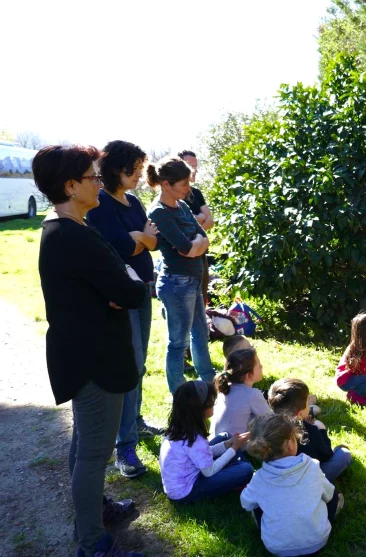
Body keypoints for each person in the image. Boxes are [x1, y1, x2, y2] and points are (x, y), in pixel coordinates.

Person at [34, 144, 147, 557]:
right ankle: (92, 543)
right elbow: (129, 289)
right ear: (69, 185)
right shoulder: (70, 235)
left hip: (86, 356)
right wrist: (121, 287)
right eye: (92, 177)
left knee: (85, 443)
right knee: (93, 452)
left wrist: (120, 285)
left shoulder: (69, 227)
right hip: (95, 361)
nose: (99, 183)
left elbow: (120, 282)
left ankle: (94, 514)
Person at [86, 140, 161, 480]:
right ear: (116, 167)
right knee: (128, 366)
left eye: (140, 167)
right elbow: (117, 246)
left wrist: (140, 238)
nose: (138, 175)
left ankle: (136, 423)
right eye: (133, 168)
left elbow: (153, 239)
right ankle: (124, 447)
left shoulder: (133, 201)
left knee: (140, 362)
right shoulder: (99, 203)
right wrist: (139, 239)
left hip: (143, 290)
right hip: (122, 294)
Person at [146, 156, 214, 393]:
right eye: (184, 184)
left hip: (193, 280)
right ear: (166, 184)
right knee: (178, 342)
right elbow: (185, 248)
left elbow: (203, 239)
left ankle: (209, 382)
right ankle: (179, 393)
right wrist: (194, 245)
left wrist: (195, 245)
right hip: (176, 283)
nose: (188, 188)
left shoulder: (183, 206)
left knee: (201, 332)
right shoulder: (159, 212)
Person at [242, 414, 343, 557]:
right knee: (333, 494)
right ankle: (322, 523)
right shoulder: (312, 466)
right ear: (290, 444)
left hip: (276, 547)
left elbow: (246, 503)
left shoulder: (259, 479)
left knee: (255, 503)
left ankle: (273, 530)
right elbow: (328, 494)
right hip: (317, 541)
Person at [159, 380, 253, 503]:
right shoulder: (195, 438)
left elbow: (202, 452)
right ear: (200, 409)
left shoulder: (180, 426)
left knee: (225, 437)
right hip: (187, 491)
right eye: (211, 403)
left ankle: (235, 469)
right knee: (247, 469)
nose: (214, 405)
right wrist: (233, 449)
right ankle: (240, 475)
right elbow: (209, 471)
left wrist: (228, 444)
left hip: (182, 479)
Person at [268, 378, 353, 482]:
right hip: (308, 480)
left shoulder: (267, 429)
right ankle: (339, 450)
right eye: (308, 403)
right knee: (344, 455)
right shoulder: (310, 431)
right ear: (299, 414)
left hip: (277, 478)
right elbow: (326, 455)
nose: (309, 405)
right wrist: (322, 431)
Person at [210, 348, 272, 438]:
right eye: (258, 365)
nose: (262, 366)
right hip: (238, 449)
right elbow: (271, 422)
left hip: (215, 445)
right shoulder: (252, 395)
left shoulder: (223, 390)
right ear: (248, 375)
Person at [177, 150, 213, 308]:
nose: (195, 170)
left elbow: (210, 220)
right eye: (190, 166)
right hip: (179, 257)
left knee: (202, 297)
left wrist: (191, 229)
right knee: (183, 305)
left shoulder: (196, 193)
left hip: (201, 255)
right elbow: (174, 224)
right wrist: (197, 219)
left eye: (196, 166)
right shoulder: (171, 195)